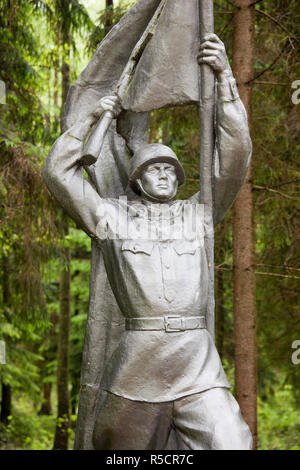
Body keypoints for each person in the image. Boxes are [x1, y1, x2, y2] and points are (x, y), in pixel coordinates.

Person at [43, 34, 252, 450]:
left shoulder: (201, 213)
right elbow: (59, 175)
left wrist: (225, 77)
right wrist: (88, 121)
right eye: (154, 168)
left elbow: (235, 156)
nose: (164, 174)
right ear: (136, 179)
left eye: (171, 169)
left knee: (231, 442)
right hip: (138, 365)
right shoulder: (110, 218)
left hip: (196, 363)